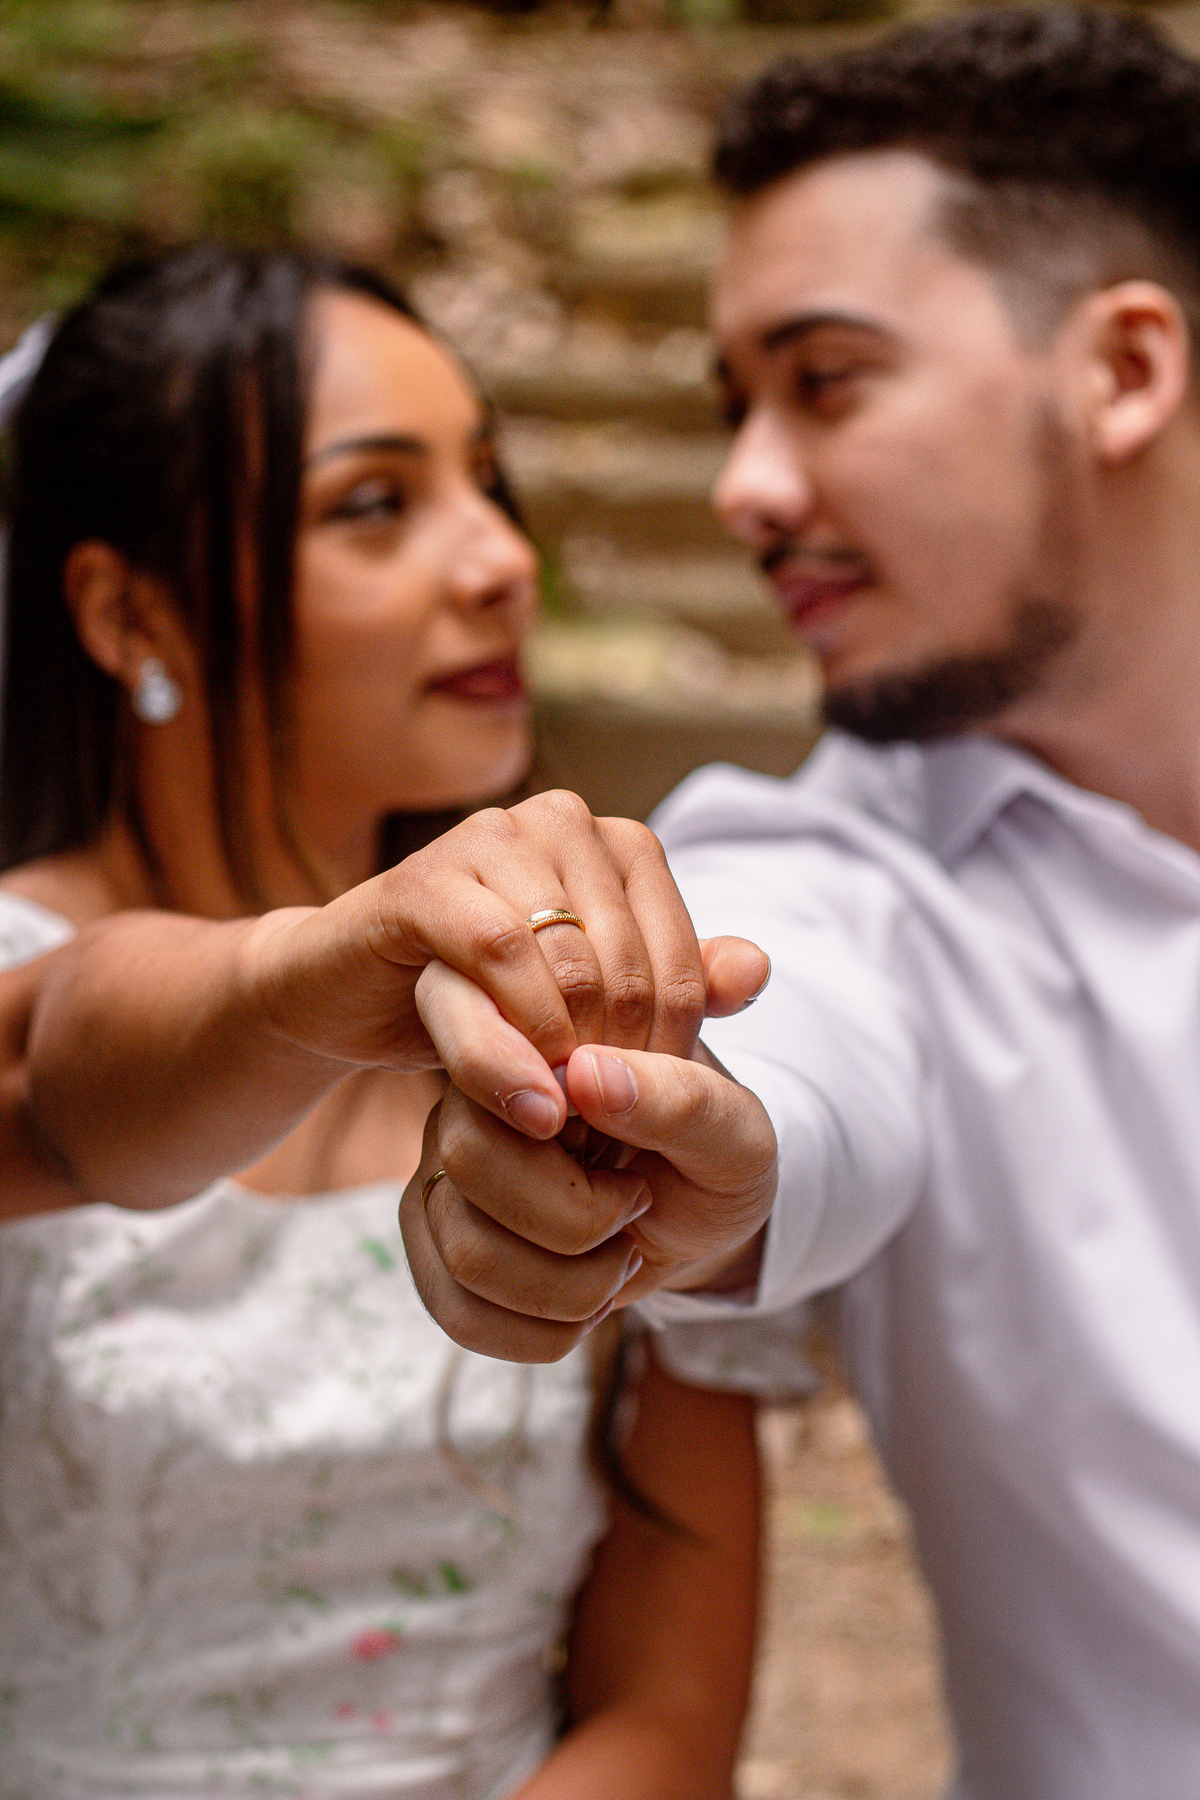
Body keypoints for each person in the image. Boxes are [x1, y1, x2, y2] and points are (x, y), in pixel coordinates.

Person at [388, 10, 1200, 1798]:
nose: (747, 488)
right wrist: (671, 1148)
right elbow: (789, 1061)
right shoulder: (828, 877)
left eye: (826, 382)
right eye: (734, 408)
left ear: (1126, 371)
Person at [0, 245, 762, 1799]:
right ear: (130, 613)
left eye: (487, 482)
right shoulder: (34, 993)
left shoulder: (599, 1013)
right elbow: (67, 1068)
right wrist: (320, 972)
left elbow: (668, 1711)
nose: (499, 560)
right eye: (372, 504)